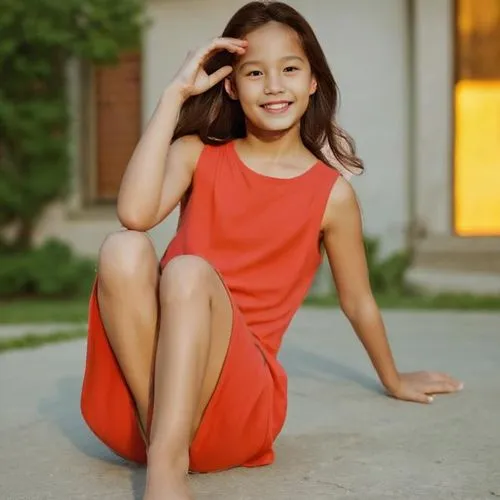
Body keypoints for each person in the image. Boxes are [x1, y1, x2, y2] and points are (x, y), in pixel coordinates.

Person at [80, 2, 463, 499]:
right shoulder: (197, 154)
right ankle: (165, 440)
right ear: (231, 87)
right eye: (255, 72)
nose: (274, 85)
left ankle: (167, 473)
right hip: (150, 400)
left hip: (240, 404)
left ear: (312, 82)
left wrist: (393, 377)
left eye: (289, 69)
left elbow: (358, 301)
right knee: (122, 250)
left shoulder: (331, 195)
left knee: (188, 272)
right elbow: (134, 214)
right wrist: (175, 94)